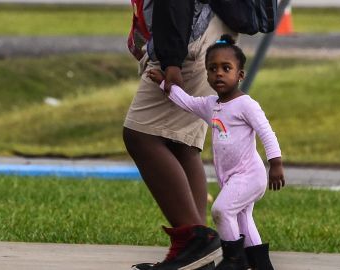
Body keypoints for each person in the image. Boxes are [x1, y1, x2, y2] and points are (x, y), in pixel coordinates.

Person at [147, 34, 285, 270]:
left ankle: (234, 261)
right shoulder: (212, 105)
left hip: (250, 175)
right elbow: (187, 102)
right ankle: (262, 265)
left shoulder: (246, 105)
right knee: (243, 219)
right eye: (212, 69)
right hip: (232, 178)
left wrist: (276, 164)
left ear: (240, 75)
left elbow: (267, 132)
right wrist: (163, 83)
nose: (218, 73)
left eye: (226, 68)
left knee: (221, 210)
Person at [122, 1, 237, 270]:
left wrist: (171, 59)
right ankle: (198, 259)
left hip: (188, 35)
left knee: (140, 134)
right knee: (181, 143)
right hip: (205, 27)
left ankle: (194, 242)